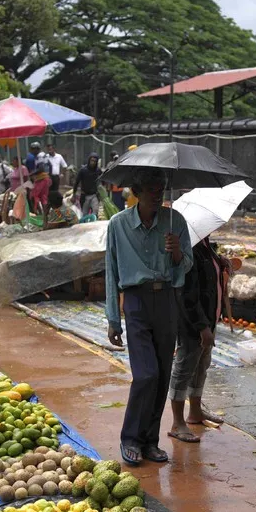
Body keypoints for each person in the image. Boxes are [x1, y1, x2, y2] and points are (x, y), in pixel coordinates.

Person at [105, 167, 193, 465]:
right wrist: (113, 319)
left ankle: (150, 441)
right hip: (136, 302)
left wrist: (177, 252)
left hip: (167, 299)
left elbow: (186, 267)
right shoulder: (118, 225)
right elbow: (111, 271)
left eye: (161, 188)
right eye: (152, 189)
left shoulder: (175, 221)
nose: (158, 194)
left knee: (162, 374)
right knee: (146, 374)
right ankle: (130, 437)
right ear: (137, 192)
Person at [167, 237, 229, 443]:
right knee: (184, 368)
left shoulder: (206, 247)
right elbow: (187, 294)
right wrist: (202, 327)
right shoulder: (189, 250)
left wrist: (221, 264)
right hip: (192, 324)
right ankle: (177, 422)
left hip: (208, 319)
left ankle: (195, 411)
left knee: (201, 366)